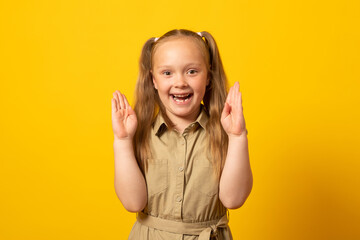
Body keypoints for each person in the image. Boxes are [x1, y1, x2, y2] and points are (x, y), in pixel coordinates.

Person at [111, 29, 253, 240]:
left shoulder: (226, 133)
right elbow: (133, 203)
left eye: (192, 71)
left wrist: (238, 137)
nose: (180, 82)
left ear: (208, 76)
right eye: (167, 73)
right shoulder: (139, 134)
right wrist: (122, 141)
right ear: (153, 80)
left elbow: (233, 199)